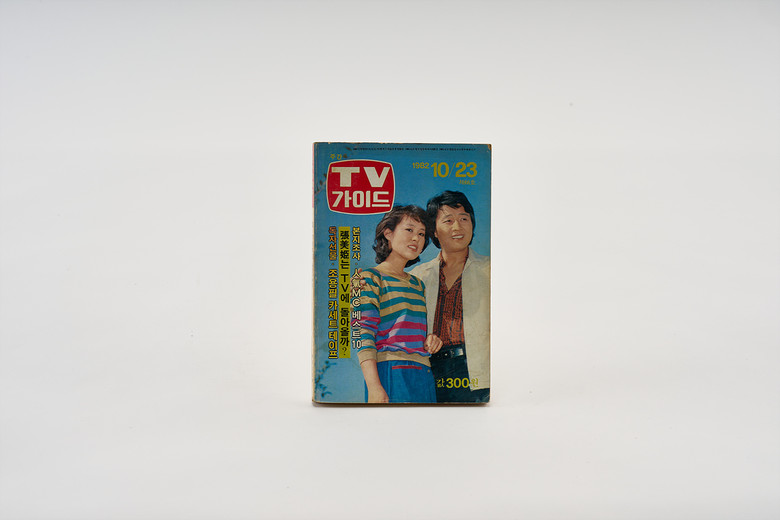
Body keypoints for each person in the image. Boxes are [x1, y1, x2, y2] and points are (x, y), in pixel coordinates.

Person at [356, 205, 443, 403]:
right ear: (388, 233)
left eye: (421, 234)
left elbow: (412, 330)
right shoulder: (368, 278)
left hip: (424, 373)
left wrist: (430, 339)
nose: (416, 238)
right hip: (391, 372)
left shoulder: (417, 284)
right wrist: (374, 387)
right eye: (409, 230)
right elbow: (362, 334)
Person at [410, 191, 490, 403]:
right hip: (431, 369)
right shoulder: (418, 276)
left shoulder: (490, 270)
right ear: (434, 231)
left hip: (475, 369)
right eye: (448, 220)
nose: (457, 227)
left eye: (464, 219)